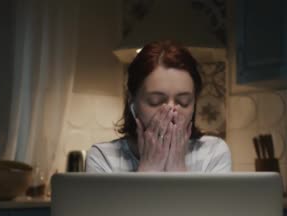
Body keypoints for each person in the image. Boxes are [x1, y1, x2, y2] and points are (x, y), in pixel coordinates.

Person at [85, 40, 231, 173]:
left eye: (183, 102)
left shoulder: (213, 152)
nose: (171, 112)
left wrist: (176, 167)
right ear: (132, 101)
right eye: (156, 101)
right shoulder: (102, 157)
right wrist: (149, 168)